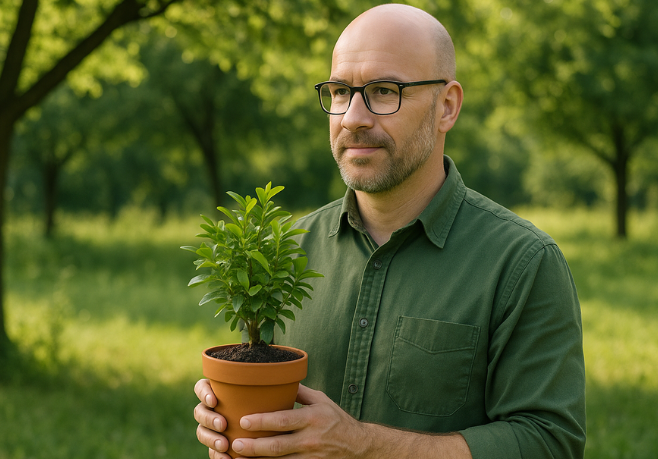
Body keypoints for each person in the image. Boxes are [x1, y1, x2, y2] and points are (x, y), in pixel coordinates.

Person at [193, 4, 586, 458]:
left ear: (448, 106)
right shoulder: (284, 251)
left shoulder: (523, 262)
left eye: (384, 91)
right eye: (340, 92)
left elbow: (548, 444)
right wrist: (228, 424)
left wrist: (363, 446)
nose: (353, 117)